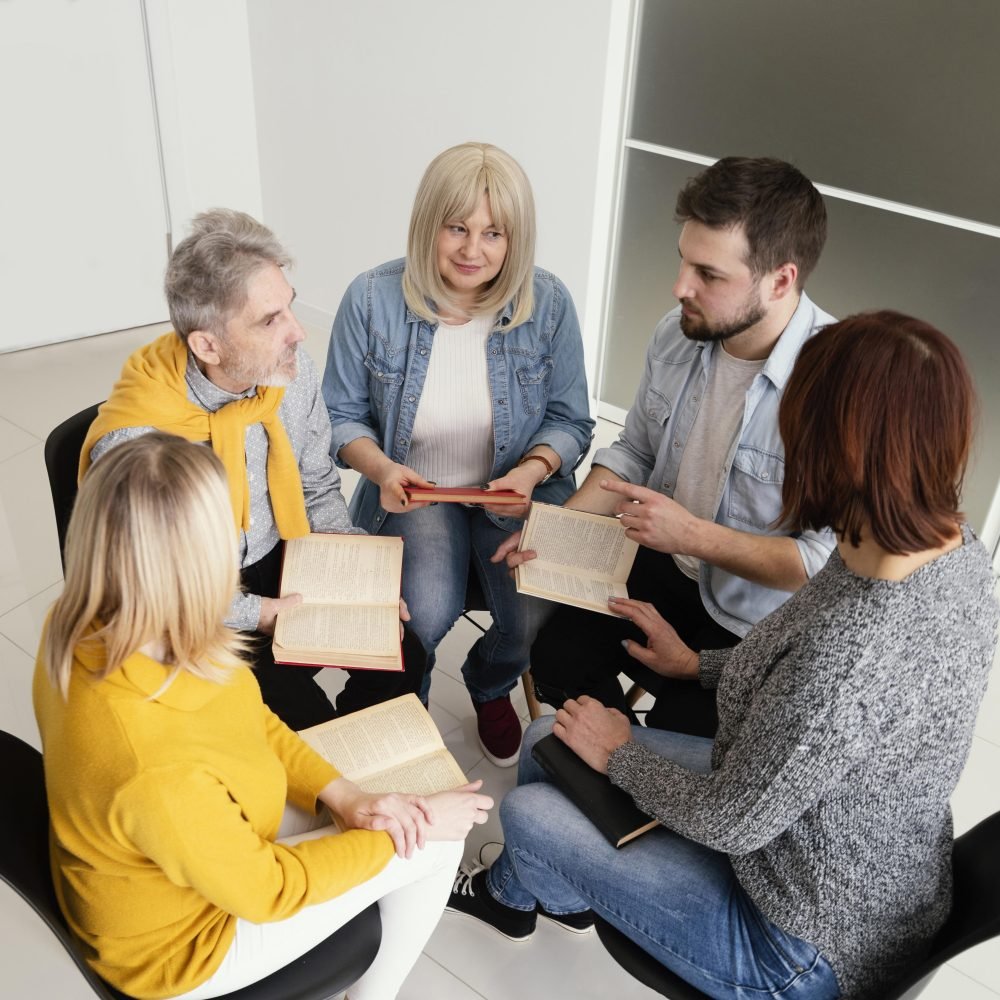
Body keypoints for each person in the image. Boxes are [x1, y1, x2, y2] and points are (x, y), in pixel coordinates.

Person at [446, 311, 1000, 1000]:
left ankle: (535, 885)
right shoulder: (944, 547)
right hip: (856, 865)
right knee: (545, 739)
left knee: (531, 810)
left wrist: (623, 751)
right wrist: (694, 666)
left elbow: (734, 820)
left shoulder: (854, 651)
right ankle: (532, 896)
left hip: (796, 943)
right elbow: (797, 677)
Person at [34, 433, 493, 1000]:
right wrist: (410, 827)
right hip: (185, 945)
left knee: (391, 812)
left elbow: (249, 715)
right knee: (436, 840)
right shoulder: (156, 774)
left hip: (190, 849)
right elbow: (269, 890)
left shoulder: (91, 618)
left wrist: (347, 797)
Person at [498, 156, 836, 737]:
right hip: (666, 566)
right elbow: (634, 455)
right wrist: (556, 529)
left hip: (755, 619)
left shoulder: (839, 384)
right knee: (556, 657)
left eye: (708, 273)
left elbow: (819, 564)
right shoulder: (678, 332)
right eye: (683, 259)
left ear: (781, 279)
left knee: (692, 748)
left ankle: (632, 773)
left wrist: (691, 535)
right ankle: (611, 763)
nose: (680, 286)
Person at [81, 208, 425, 731]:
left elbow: (314, 487)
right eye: (270, 320)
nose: (298, 334)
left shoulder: (286, 373)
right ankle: (328, 790)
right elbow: (164, 593)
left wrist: (359, 577)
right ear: (207, 345)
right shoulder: (138, 448)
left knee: (404, 656)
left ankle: (359, 772)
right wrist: (263, 613)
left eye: (288, 307)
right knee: (298, 726)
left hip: (279, 551)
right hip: (197, 601)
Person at [323, 142, 594, 766]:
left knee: (531, 613)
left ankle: (490, 683)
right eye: (457, 228)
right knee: (424, 610)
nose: (474, 251)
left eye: (494, 233)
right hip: (416, 490)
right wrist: (382, 469)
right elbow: (339, 418)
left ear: (515, 238)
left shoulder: (547, 303)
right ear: (429, 225)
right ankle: (405, 708)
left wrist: (532, 470)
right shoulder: (370, 298)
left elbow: (571, 420)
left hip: (514, 491)